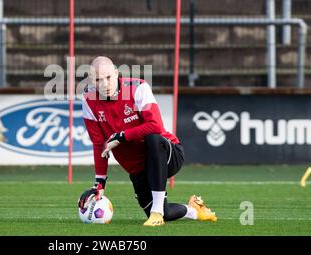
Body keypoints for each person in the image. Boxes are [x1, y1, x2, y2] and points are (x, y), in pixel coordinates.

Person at [78, 56, 217, 226]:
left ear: (116, 74)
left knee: (153, 138)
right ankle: (194, 210)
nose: (105, 84)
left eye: (108, 78)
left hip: (168, 154)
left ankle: (156, 212)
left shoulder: (138, 87)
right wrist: (99, 184)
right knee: (165, 213)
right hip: (138, 169)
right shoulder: (88, 98)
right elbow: (99, 145)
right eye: (98, 80)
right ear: (92, 80)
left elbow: (156, 126)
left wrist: (121, 136)